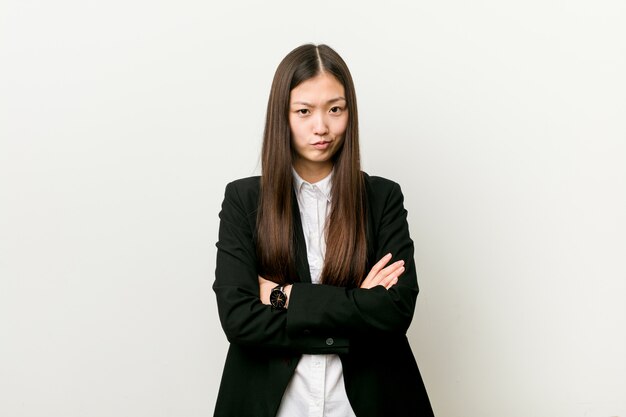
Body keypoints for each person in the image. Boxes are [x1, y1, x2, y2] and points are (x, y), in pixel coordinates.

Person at [213, 44, 434, 417]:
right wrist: (356, 303)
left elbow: (394, 311)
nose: (322, 127)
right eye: (304, 111)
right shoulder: (244, 200)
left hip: (368, 403)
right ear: (281, 117)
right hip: (276, 406)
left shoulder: (382, 198)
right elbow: (239, 319)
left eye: (335, 109)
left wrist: (284, 296)